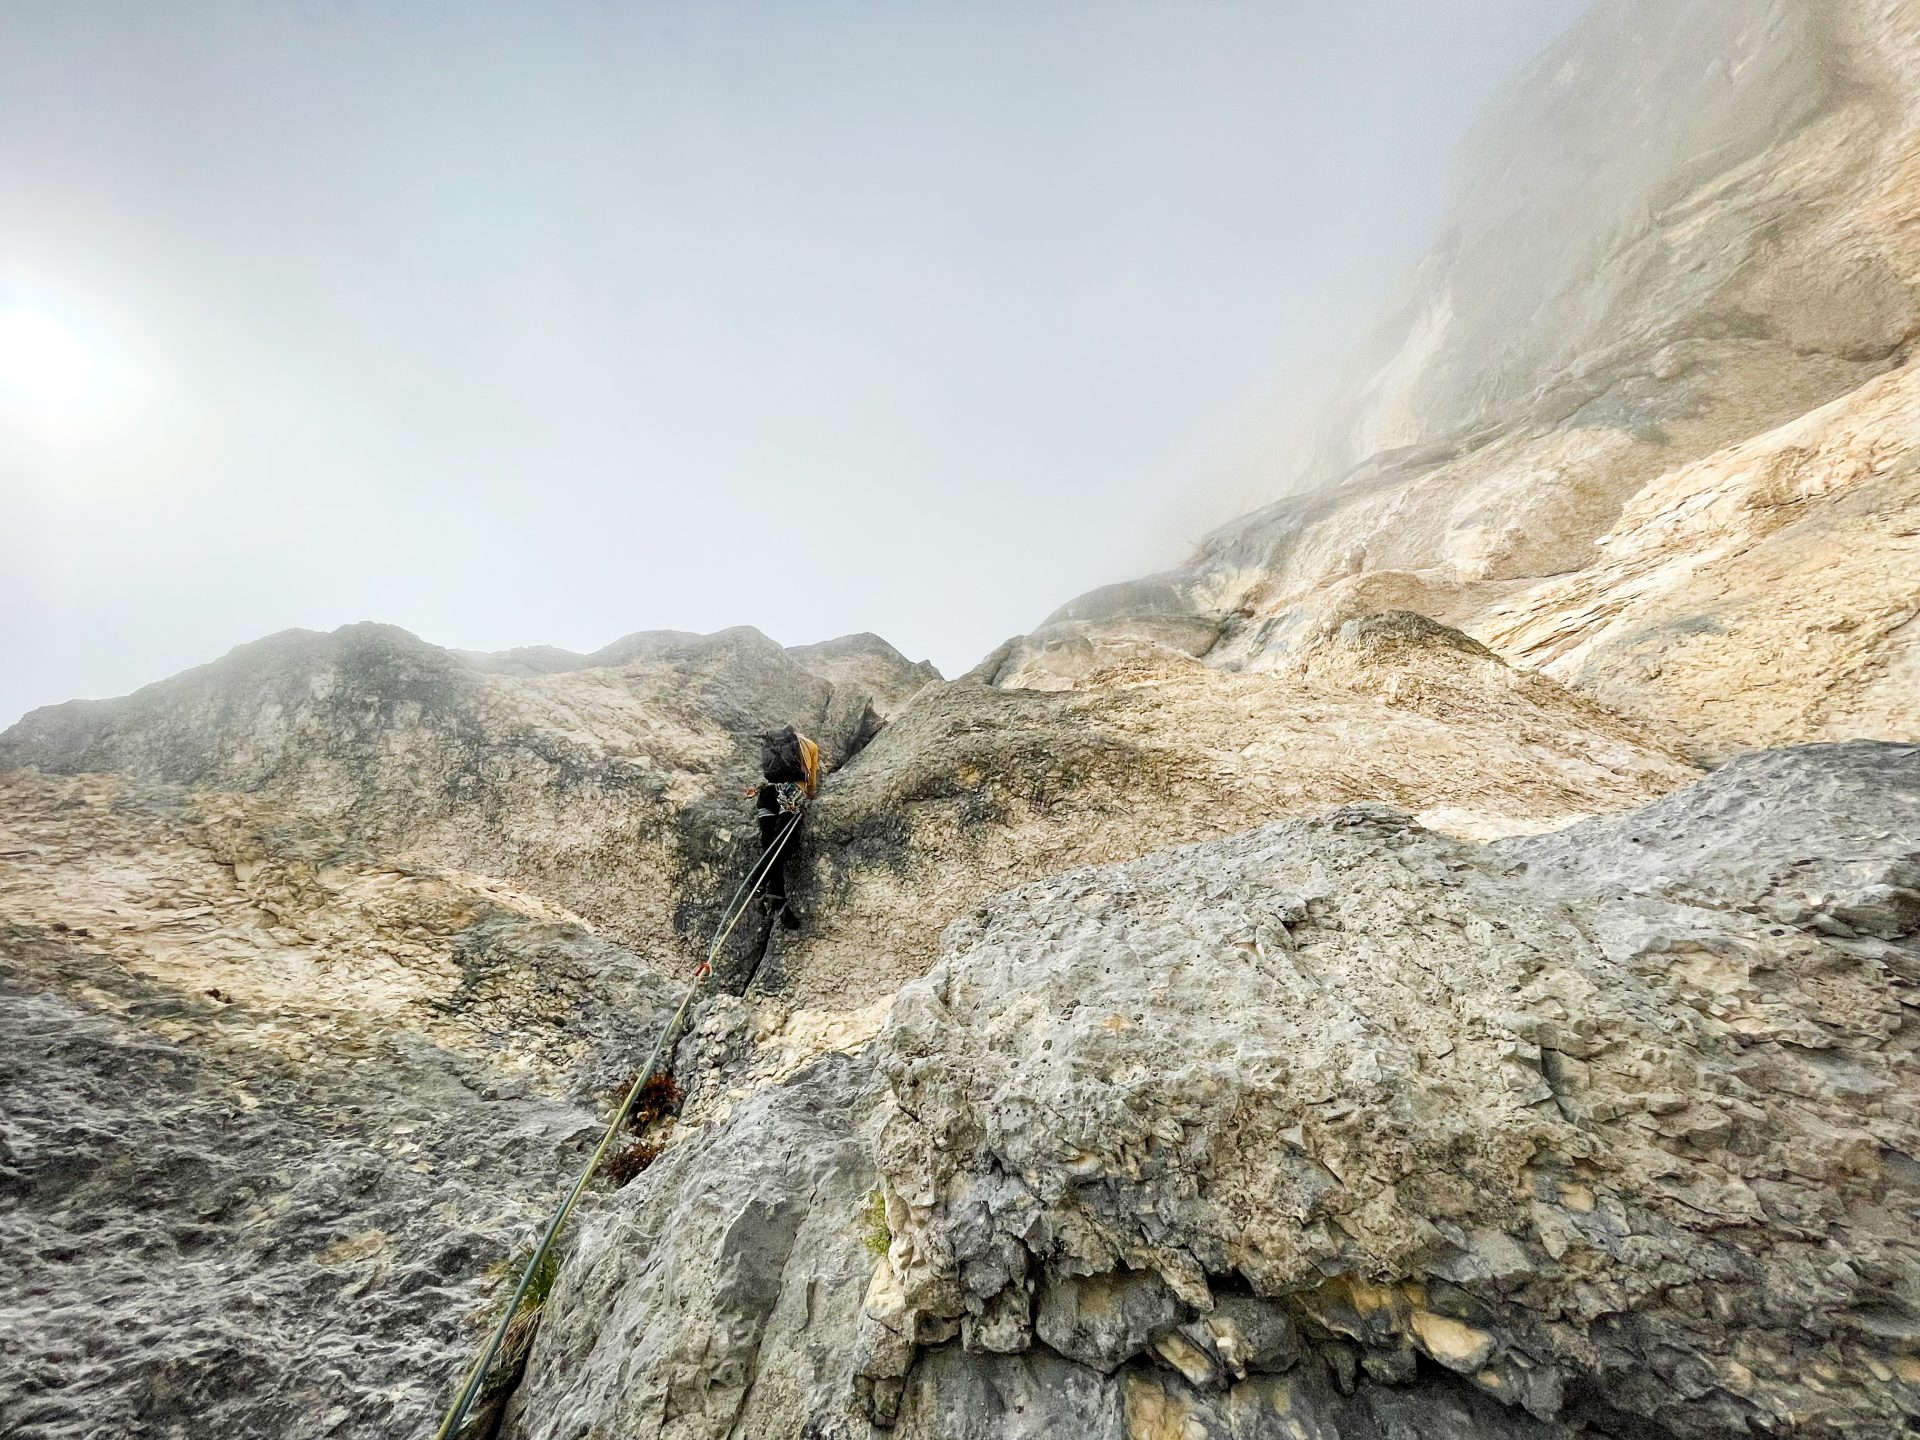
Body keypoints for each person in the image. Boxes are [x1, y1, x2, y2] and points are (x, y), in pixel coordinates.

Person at [749, 724, 820, 929]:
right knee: (781, 845)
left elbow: (767, 774)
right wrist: (809, 793)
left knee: (769, 843)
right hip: (790, 794)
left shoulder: (772, 746)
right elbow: (812, 786)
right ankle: (758, 883)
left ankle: (777, 899)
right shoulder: (811, 746)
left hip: (768, 794)